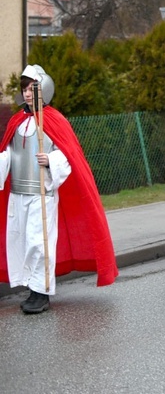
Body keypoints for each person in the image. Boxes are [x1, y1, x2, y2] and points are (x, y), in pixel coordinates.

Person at [0, 65, 118, 314]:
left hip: (42, 194)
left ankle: (41, 292)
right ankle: (30, 287)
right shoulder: (17, 121)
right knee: (20, 240)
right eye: (25, 90)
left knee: (38, 242)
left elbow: (68, 155)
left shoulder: (54, 120)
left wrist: (50, 161)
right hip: (19, 193)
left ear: (43, 89)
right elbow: (9, 154)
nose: (27, 94)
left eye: (32, 89)